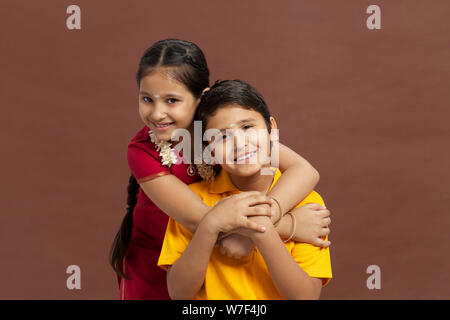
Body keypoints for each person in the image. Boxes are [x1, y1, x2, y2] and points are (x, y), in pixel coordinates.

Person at [109, 39, 331, 299]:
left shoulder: (224, 135)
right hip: (163, 260)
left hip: (217, 262)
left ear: (201, 98)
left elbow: (304, 171)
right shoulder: (142, 151)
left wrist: (266, 222)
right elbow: (203, 220)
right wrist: (288, 225)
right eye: (147, 99)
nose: (157, 113)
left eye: (171, 100)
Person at [158, 80, 332, 299]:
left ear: (272, 129)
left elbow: (305, 297)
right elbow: (179, 294)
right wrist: (209, 226)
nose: (239, 144)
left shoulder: (306, 202)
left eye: (247, 127)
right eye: (221, 137)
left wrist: (262, 231)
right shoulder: (193, 200)